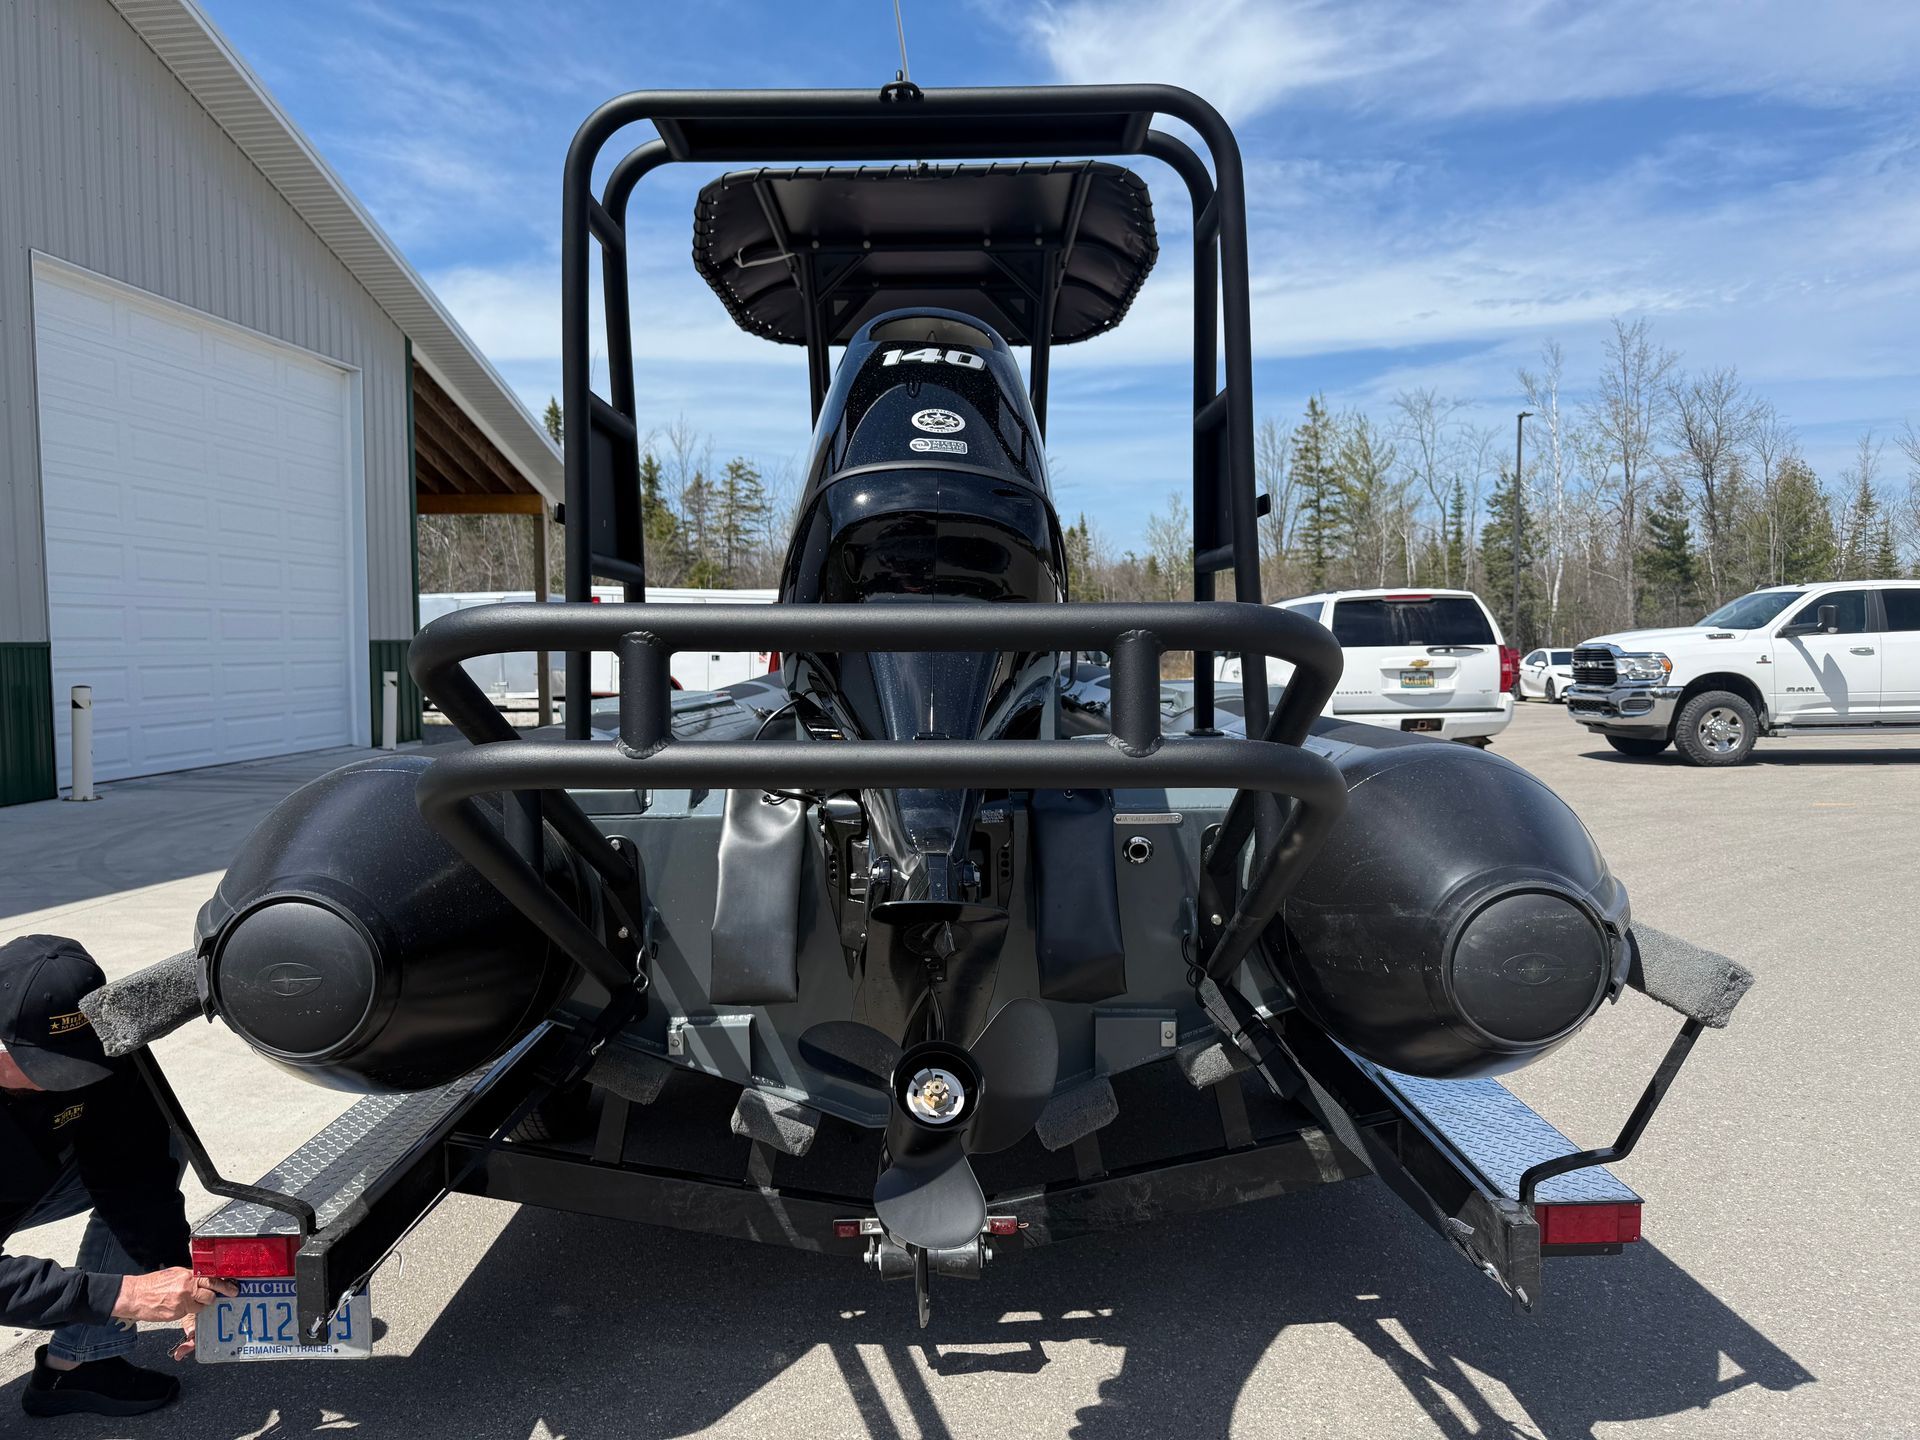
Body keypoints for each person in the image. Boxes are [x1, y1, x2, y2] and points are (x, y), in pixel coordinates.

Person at [1, 935, 237, 1418]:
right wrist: (124, 1295)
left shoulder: (97, 1045)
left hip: (22, 1179)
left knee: (159, 1142)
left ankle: (77, 1364)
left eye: (73, 1061)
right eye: (42, 1065)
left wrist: (173, 1273)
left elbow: (138, 1170)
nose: (62, 1081)